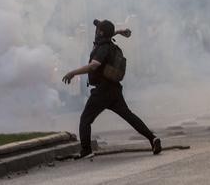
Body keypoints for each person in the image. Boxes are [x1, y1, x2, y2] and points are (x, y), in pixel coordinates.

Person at [62, 19, 161, 159]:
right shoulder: (110, 44)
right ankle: (153, 139)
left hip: (102, 91)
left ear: (101, 32)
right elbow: (108, 35)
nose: (95, 31)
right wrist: (119, 32)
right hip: (114, 90)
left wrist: (73, 73)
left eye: (98, 29)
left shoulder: (102, 48)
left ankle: (86, 150)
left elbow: (93, 65)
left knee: (85, 119)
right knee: (129, 116)